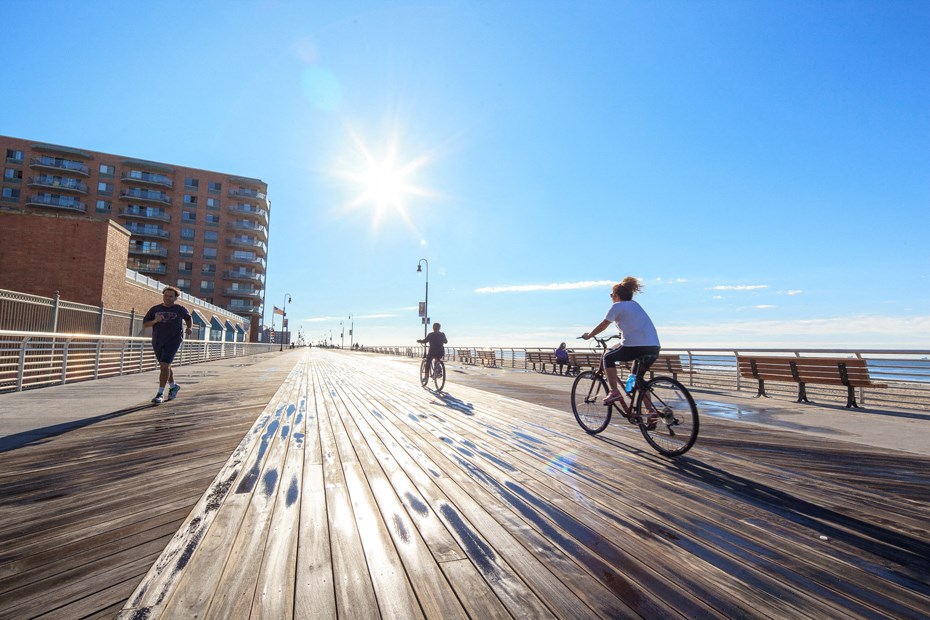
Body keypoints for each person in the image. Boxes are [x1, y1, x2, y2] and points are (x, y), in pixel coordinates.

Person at [582, 277, 660, 406]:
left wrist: (589, 335)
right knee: (637, 380)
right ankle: (650, 411)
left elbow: (603, 325)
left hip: (635, 347)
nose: (611, 297)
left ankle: (614, 391)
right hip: (653, 347)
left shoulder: (617, 306)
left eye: (612, 295)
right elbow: (635, 324)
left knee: (607, 357)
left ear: (616, 296)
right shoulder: (636, 305)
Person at [143, 286, 193, 404]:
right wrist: (155, 321)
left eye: (171, 296)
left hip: (173, 341)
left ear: (175, 298)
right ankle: (173, 386)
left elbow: (188, 318)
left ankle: (160, 394)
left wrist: (189, 327)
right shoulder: (155, 309)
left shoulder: (180, 309)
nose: (168, 298)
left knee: (164, 366)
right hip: (158, 341)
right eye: (166, 296)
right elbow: (145, 324)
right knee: (165, 366)